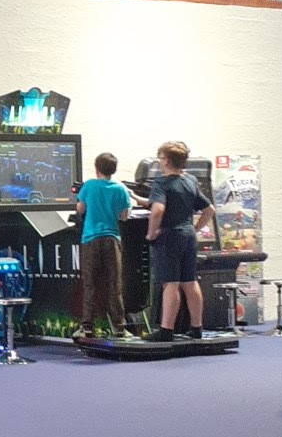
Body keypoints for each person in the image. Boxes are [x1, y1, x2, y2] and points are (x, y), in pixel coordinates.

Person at [146, 140, 214, 340]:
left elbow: (158, 210)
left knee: (170, 283)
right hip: (188, 236)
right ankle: (197, 328)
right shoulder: (190, 181)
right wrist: (195, 228)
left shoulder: (162, 182)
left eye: (160, 158)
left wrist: (151, 233)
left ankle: (166, 330)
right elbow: (209, 210)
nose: (159, 161)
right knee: (189, 282)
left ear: (166, 160)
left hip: (169, 237)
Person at [74, 152, 132, 340]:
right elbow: (124, 216)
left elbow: (80, 209)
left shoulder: (89, 186)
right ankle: (120, 327)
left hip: (90, 239)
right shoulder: (120, 189)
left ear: (96, 169)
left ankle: (87, 327)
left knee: (90, 284)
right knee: (114, 284)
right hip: (112, 239)